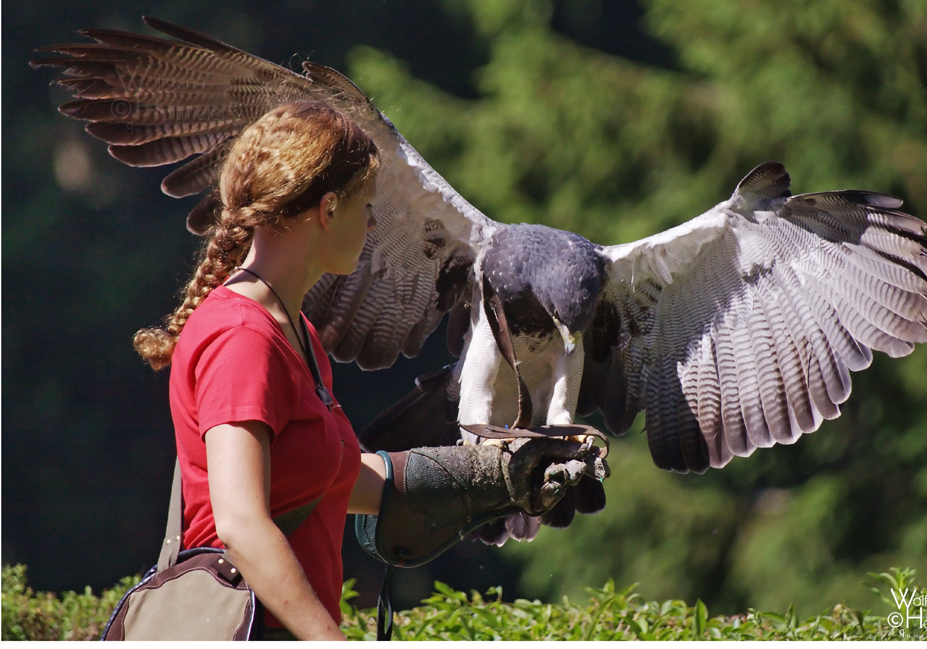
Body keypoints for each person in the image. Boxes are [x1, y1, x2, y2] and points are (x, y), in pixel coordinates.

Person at [132, 101, 605, 640]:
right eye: (367, 206)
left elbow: (326, 476)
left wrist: (493, 477)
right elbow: (241, 525)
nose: (374, 223)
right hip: (243, 628)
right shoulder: (242, 338)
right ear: (328, 210)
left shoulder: (290, 329)